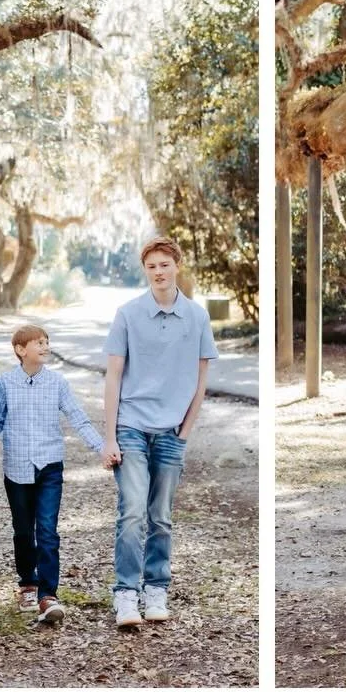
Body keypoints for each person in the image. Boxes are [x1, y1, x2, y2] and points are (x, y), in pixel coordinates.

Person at [102, 236, 218, 629]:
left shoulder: (197, 317)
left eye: (164, 264)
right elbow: (114, 375)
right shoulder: (128, 314)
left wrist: (185, 430)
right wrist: (110, 435)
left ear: (176, 266)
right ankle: (126, 595)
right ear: (145, 271)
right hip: (132, 425)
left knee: (161, 517)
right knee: (133, 512)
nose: (158, 272)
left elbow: (201, 380)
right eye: (151, 266)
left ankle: (156, 589)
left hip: (172, 431)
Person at [0, 322, 103, 626]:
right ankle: (28, 583)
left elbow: (78, 417)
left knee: (47, 530)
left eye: (47, 341)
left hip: (50, 466)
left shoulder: (58, 383)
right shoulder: (5, 383)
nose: (45, 347)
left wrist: (101, 447)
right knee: (23, 530)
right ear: (20, 350)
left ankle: (48, 594)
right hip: (17, 467)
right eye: (38, 342)